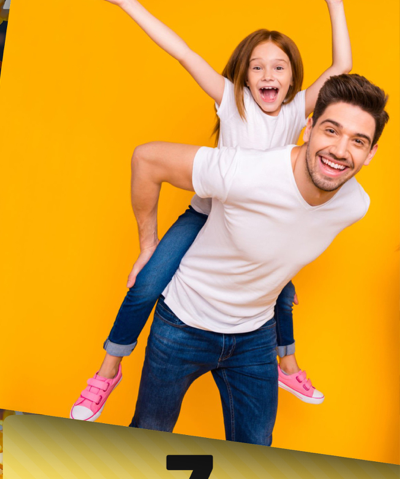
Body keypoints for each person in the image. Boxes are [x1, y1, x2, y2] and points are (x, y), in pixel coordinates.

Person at [71, 0, 353, 421]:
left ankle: (287, 365)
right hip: (207, 217)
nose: (268, 74)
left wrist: (334, 5)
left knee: (280, 291)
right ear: (243, 75)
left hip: (260, 228)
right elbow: (181, 51)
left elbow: (341, 68)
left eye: (279, 67)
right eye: (257, 67)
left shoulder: (296, 110)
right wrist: (126, 0)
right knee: (145, 285)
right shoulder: (231, 100)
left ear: (292, 77)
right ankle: (107, 371)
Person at [129, 74, 388, 444]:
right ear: (308, 128)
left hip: (255, 336)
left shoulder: (354, 205)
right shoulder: (245, 171)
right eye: (331, 131)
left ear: (371, 153)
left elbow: (286, 234)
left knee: (255, 453)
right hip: (184, 324)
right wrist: (148, 246)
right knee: (146, 441)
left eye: (358, 141)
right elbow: (146, 159)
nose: (341, 150)